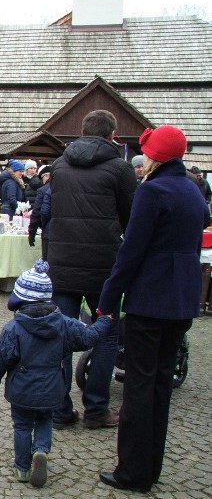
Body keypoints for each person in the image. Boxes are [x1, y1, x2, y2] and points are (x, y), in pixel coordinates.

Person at [96, 125, 210, 493]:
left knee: (140, 386)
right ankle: (151, 466)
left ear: (155, 156)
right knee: (160, 384)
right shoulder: (193, 192)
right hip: (181, 299)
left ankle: (133, 471)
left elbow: (131, 253)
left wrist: (108, 299)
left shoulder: (153, 191)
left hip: (151, 298)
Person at [0, 260, 113, 488]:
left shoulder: (13, 328)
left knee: (22, 426)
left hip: (22, 389)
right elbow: (87, 338)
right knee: (45, 419)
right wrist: (104, 321)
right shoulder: (64, 324)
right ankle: (41, 452)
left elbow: (0, 359)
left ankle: (23, 468)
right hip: (53, 387)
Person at [48, 109, 136, 430]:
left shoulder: (59, 166)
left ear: (83, 131)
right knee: (107, 336)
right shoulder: (121, 169)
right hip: (104, 270)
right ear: (112, 135)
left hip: (62, 267)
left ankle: (59, 410)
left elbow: (52, 213)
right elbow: (131, 220)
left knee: (60, 338)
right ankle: (97, 409)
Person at [28, 165, 52, 259]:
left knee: (47, 263)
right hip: (65, 233)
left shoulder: (43, 190)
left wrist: (32, 231)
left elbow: (37, 213)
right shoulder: (65, 188)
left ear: (46, 176)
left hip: (48, 231)